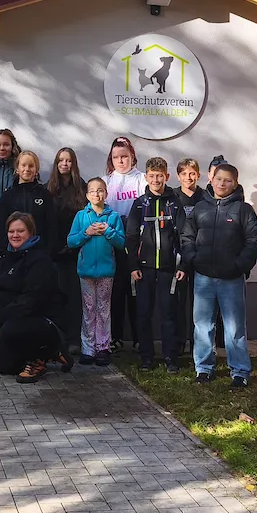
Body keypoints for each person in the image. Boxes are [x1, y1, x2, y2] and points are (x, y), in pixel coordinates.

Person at [179, 163, 257, 388]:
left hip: (231, 278)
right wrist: (193, 259)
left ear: (235, 183)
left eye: (228, 180)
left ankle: (240, 372)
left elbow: (253, 240)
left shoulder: (243, 210)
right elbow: (187, 236)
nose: (222, 183)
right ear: (211, 179)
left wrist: (239, 265)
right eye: (219, 179)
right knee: (202, 325)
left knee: (234, 327)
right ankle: (204, 369)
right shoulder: (199, 207)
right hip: (203, 277)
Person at [0, 212, 68, 383]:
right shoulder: (7, 258)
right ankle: (47, 354)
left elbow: (31, 300)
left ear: (31, 232)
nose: (15, 235)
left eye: (20, 231)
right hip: (14, 320)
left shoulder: (40, 260)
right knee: (4, 367)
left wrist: (1, 318)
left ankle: (42, 355)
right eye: (11, 231)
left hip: (42, 320)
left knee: (11, 328)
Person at [126, 157, 185, 373]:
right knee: (143, 314)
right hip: (144, 269)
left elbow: (184, 236)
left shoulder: (174, 202)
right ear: (146, 177)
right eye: (152, 176)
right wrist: (133, 266)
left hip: (169, 268)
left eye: (160, 176)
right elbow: (131, 237)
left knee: (169, 314)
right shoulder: (140, 204)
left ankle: (171, 358)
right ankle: (146, 358)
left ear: (166, 176)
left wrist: (182, 265)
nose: (156, 180)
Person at [67, 177, 126, 367]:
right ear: (87, 195)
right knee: (89, 309)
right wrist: (87, 233)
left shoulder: (113, 216)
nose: (96, 194)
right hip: (85, 272)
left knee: (103, 310)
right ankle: (88, 348)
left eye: (100, 190)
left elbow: (121, 242)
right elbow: (71, 241)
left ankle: (103, 348)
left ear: (106, 193)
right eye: (92, 191)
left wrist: (108, 231)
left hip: (106, 271)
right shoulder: (81, 216)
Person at [103, 137, 146, 351]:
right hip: (113, 241)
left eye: (124, 157)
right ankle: (116, 336)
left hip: (136, 242)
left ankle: (139, 338)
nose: (120, 161)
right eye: (116, 157)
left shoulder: (142, 179)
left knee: (135, 291)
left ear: (132, 157)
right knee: (116, 291)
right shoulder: (106, 181)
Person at [47, 147, 86, 350]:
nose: (65, 164)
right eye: (61, 160)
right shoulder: (48, 189)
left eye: (68, 160)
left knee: (74, 297)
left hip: (76, 252)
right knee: (56, 296)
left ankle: (74, 339)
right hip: (54, 252)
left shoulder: (81, 187)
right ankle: (57, 339)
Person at [0, 150, 56, 252]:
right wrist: (3, 251)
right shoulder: (8, 196)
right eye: (23, 165)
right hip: (13, 252)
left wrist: (48, 252)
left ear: (36, 170)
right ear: (17, 169)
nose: (27, 169)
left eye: (31, 166)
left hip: (38, 252)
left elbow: (52, 227)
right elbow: (1, 227)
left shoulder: (44, 195)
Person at [174, 158, 204, 353]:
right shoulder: (173, 196)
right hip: (178, 256)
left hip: (199, 255)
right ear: (178, 176)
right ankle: (178, 343)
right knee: (178, 302)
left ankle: (197, 344)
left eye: (192, 173)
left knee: (199, 304)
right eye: (184, 174)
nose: (188, 177)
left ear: (198, 175)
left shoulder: (205, 197)